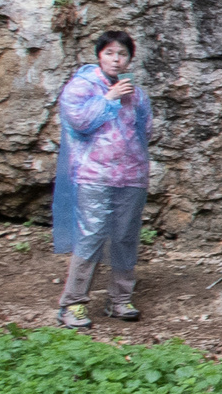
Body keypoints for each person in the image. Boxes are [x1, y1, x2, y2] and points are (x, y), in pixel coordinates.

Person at [51, 29, 153, 329]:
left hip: (132, 174)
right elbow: (78, 122)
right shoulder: (81, 87)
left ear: (129, 59)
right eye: (110, 53)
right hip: (93, 174)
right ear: (99, 55)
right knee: (92, 234)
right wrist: (109, 99)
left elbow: (146, 130)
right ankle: (72, 304)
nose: (116, 59)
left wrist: (128, 99)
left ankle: (119, 300)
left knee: (125, 235)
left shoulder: (137, 92)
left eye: (122, 54)